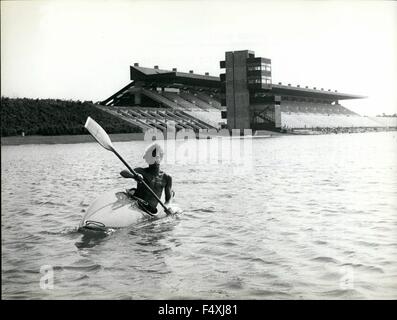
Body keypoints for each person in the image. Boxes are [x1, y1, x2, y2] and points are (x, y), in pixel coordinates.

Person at [121, 142, 174, 215]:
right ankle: (132, 192)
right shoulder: (141, 171)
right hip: (138, 205)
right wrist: (134, 176)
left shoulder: (167, 177)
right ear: (147, 159)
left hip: (151, 210)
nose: (155, 160)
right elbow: (123, 172)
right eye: (152, 157)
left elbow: (168, 199)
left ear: (161, 158)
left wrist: (167, 206)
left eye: (157, 157)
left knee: (172, 193)